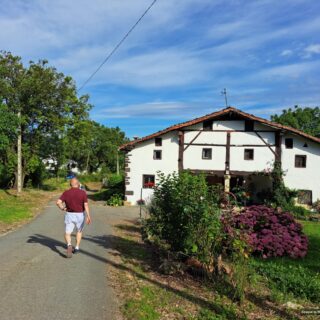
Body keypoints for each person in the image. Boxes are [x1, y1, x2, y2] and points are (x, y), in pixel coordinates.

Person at [56, 178, 92, 258]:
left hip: (69, 214)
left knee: (67, 233)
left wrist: (63, 208)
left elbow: (58, 202)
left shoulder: (66, 193)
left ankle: (69, 245)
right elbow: (85, 205)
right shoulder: (83, 193)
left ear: (70, 185)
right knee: (79, 231)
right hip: (80, 215)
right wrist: (88, 216)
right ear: (78, 184)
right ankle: (77, 247)